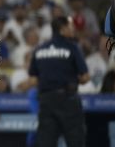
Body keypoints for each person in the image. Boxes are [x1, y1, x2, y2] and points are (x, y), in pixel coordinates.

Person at [29, 16, 90, 147]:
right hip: (68, 100)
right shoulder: (72, 47)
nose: (73, 29)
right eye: (70, 26)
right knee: (75, 141)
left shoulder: (39, 49)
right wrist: (73, 79)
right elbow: (85, 77)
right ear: (62, 29)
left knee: (46, 142)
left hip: (46, 101)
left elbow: (33, 79)